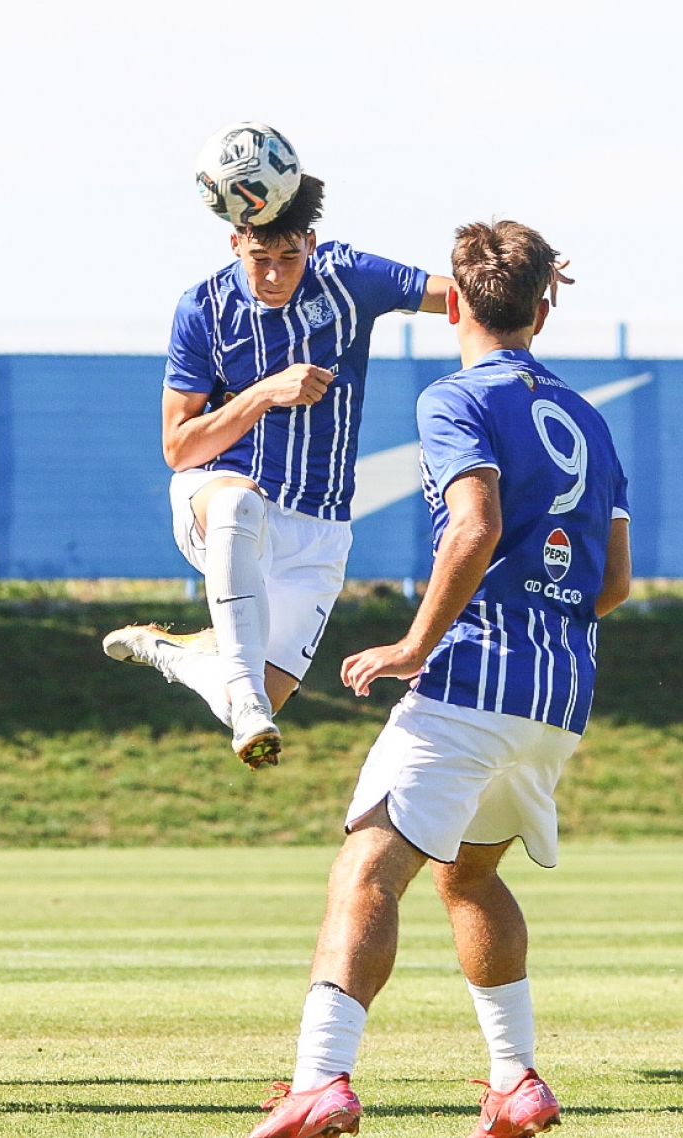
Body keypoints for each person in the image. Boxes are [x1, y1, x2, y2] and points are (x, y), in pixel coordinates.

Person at [245, 220, 630, 1138]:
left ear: (453, 302)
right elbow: (613, 583)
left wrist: (415, 644)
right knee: (468, 877)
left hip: (473, 678)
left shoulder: (454, 398)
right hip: (559, 693)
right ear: (543, 311)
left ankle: (320, 1081)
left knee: (367, 869)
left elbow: (475, 524)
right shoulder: (589, 417)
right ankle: (516, 1080)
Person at [103, 165, 453, 767]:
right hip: (218, 500)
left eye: (289, 257)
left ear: (311, 244)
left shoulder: (347, 277)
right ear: (234, 242)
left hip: (318, 528)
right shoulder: (203, 308)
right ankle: (245, 698)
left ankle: (177, 656)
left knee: (258, 700)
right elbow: (178, 449)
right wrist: (265, 393)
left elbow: (455, 296)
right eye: (259, 258)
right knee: (238, 503)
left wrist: (520, 278)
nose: (273, 274)